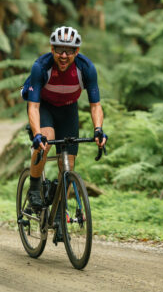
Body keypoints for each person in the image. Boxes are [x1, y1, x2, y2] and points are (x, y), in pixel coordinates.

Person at [21, 26, 107, 237]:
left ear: (77, 51)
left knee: (67, 164)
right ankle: (33, 187)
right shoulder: (41, 67)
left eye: (69, 50)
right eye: (59, 49)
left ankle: (59, 214)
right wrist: (37, 133)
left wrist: (98, 129)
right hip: (45, 107)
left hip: (69, 109)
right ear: (52, 48)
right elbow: (33, 107)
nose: (64, 55)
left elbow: (95, 105)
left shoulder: (86, 68)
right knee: (47, 140)